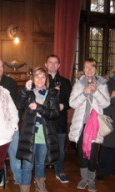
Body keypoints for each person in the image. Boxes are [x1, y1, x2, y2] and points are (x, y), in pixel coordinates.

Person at [16, 67, 60, 192]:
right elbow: (19, 106)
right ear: (33, 79)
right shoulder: (28, 93)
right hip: (30, 135)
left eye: (43, 77)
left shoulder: (52, 94)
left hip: (45, 136)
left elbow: (55, 114)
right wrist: (24, 91)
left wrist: (39, 108)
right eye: (37, 77)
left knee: (41, 163)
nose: (40, 80)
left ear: (46, 79)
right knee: (27, 165)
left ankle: (40, 186)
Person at [69, 58, 110, 192]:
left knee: (92, 154)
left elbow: (106, 104)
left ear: (95, 69)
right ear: (84, 69)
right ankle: (83, 178)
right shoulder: (79, 84)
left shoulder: (102, 84)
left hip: (95, 125)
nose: (89, 70)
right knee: (82, 153)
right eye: (87, 67)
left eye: (92, 67)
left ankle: (91, 180)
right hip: (81, 125)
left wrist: (95, 91)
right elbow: (72, 104)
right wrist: (84, 92)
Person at [0, 59, 21, 184]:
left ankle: (18, 177)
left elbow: (16, 104)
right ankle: (0, 178)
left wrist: (14, 123)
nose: (0, 68)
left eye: (2, 66)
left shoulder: (10, 82)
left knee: (15, 154)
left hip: (10, 125)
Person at [45, 54, 72, 183]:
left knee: (60, 149)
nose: (53, 65)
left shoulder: (66, 82)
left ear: (59, 65)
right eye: (50, 62)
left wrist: (63, 105)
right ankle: (40, 174)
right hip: (45, 120)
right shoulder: (41, 80)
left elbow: (70, 101)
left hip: (60, 120)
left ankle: (59, 171)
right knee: (43, 148)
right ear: (46, 64)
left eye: (55, 62)